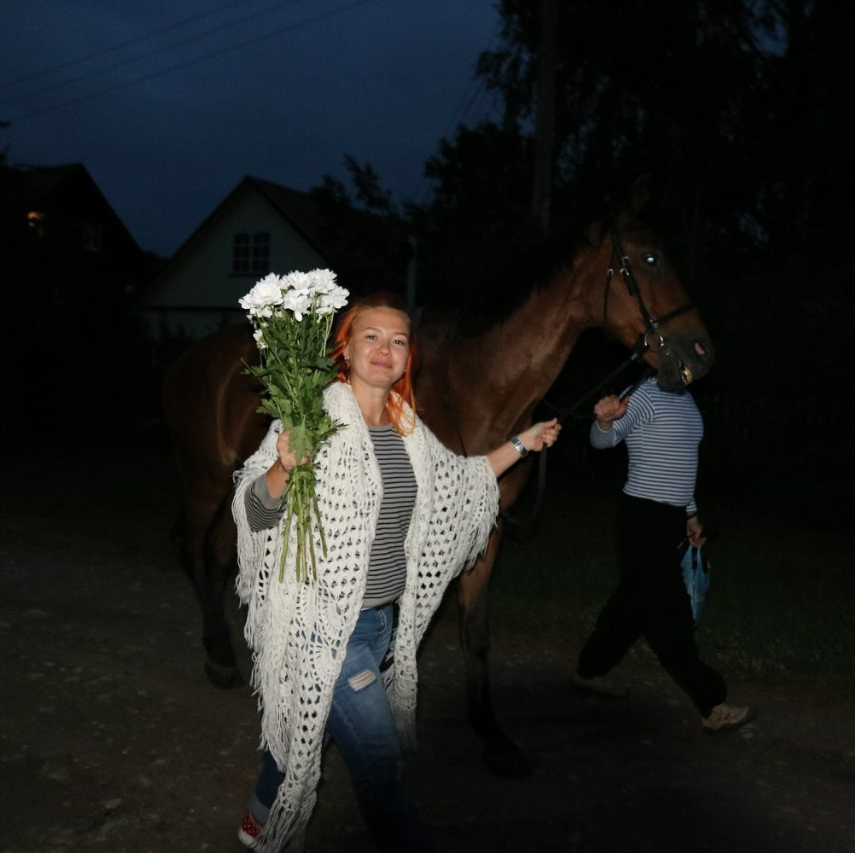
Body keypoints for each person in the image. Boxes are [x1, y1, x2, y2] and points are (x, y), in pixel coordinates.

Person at [231, 292, 561, 852]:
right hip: (324, 626)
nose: (386, 349)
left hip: (380, 624)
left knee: (308, 733)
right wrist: (284, 468)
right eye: (372, 337)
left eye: (399, 340)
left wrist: (519, 444)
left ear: (410, 358)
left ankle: (259, 818)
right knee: (382, 766)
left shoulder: (407, 427)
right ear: (347, 347)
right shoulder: (309, 416)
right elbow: (256, 512)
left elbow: (460, 479)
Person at [571, 374, 753, 734]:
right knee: (669, 614)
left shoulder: (683, 397)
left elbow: (683, 461)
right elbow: (602, 441)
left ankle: (588, 670)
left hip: (668, 519)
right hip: (642, 518)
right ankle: (711, 702)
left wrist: (690, 513)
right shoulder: (642, 394)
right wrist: (605, 420)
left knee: (631, 605)